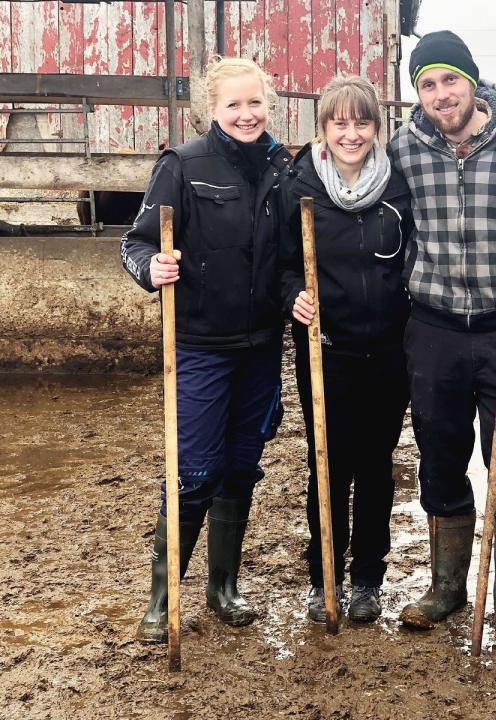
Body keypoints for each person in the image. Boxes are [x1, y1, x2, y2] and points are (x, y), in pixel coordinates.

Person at [387, 30, 496, 642]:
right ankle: (446, 586)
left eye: (450, 80)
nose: (441, 94)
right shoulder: (403, 149)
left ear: (473, 81)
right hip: (432, 327)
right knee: (438, 454)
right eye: (427, 84)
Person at [120, 57, 292, 643]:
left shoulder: (281, 167)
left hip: (262, 345)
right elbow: (134, 243)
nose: (247, 115)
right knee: (194, 470)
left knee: (242, 466)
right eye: (233, 106)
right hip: (198, 345)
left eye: (255, 103)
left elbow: (292, 255)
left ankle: (223, 589)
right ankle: (161, 596)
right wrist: (153, 267)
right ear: (212, 112)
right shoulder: (183, 165)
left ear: (269, 104)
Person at [279, 75, 411, 624]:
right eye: (340, 122)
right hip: (325, 347)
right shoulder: (298, 186)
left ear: (376, 128)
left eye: (362, 122)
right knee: (327, 463)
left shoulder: (399, 186)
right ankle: (324, 575)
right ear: (323, 128)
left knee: (376, 465)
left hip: (389, 349)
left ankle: (368, 581)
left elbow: (418, 257)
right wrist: (293, 296)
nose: (351, 134)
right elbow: (280, 262)